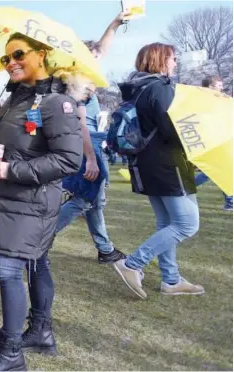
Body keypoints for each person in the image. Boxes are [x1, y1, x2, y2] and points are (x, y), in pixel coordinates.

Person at [0, 33, 83, 371]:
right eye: (6, 59)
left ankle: (11, 353)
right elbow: (19, 141)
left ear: (41, 54)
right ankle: (40, 332)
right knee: (37, 263)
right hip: (13, 198)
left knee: (8, 270)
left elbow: (68, 159)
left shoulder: (56, 102)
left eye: (17, 54)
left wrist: (12, 169)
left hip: (32, 200)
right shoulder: (17, 98)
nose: (11, 63)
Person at [113, 43, 204, 298]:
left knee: (167, 222)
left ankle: (171, 279)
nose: (176, 62)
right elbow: (173, 129)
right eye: (173, 58)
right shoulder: (160, 88)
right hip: (168, 164)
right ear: (161, 60)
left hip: (146, 164)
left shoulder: (136, 89)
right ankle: (132, 263)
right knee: (187, 224)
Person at [56, 11, 129, 265]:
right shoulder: (79, 81)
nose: (99, 57)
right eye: (94, 55)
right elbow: (79, 123)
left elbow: (103, 46)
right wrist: (90, 158)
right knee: (85, 199)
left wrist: (116, 23)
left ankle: (105, 248)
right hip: (84, 145)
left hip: (89, 143)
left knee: (95, 201)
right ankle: (41, 238)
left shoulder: (85, 79)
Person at [194, 75, 232, 211]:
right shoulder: (207, 101)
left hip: (220, 139)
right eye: (219, 86)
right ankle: (230, 203)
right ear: (210, 87)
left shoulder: (219, 100)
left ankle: (230, 202)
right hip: (215, 141)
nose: (222, 88)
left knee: (218, 171)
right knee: (218, 171)